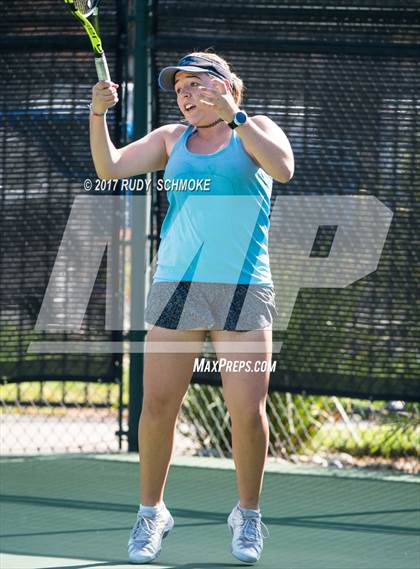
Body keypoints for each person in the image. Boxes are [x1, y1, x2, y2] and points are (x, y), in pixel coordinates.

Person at [90, 51, 294, 565]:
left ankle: (247, 517)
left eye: (195, 83)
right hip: (177, 288)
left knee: (247, 412)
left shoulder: (257, 127)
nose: (183, 93)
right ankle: (151, 512)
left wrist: (237, 117)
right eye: (178, 87)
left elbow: (284, 169)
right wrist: (97, 115)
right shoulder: (169, 139)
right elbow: (109, 167)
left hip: (245, 289)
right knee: (157, 408)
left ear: (225, 86)